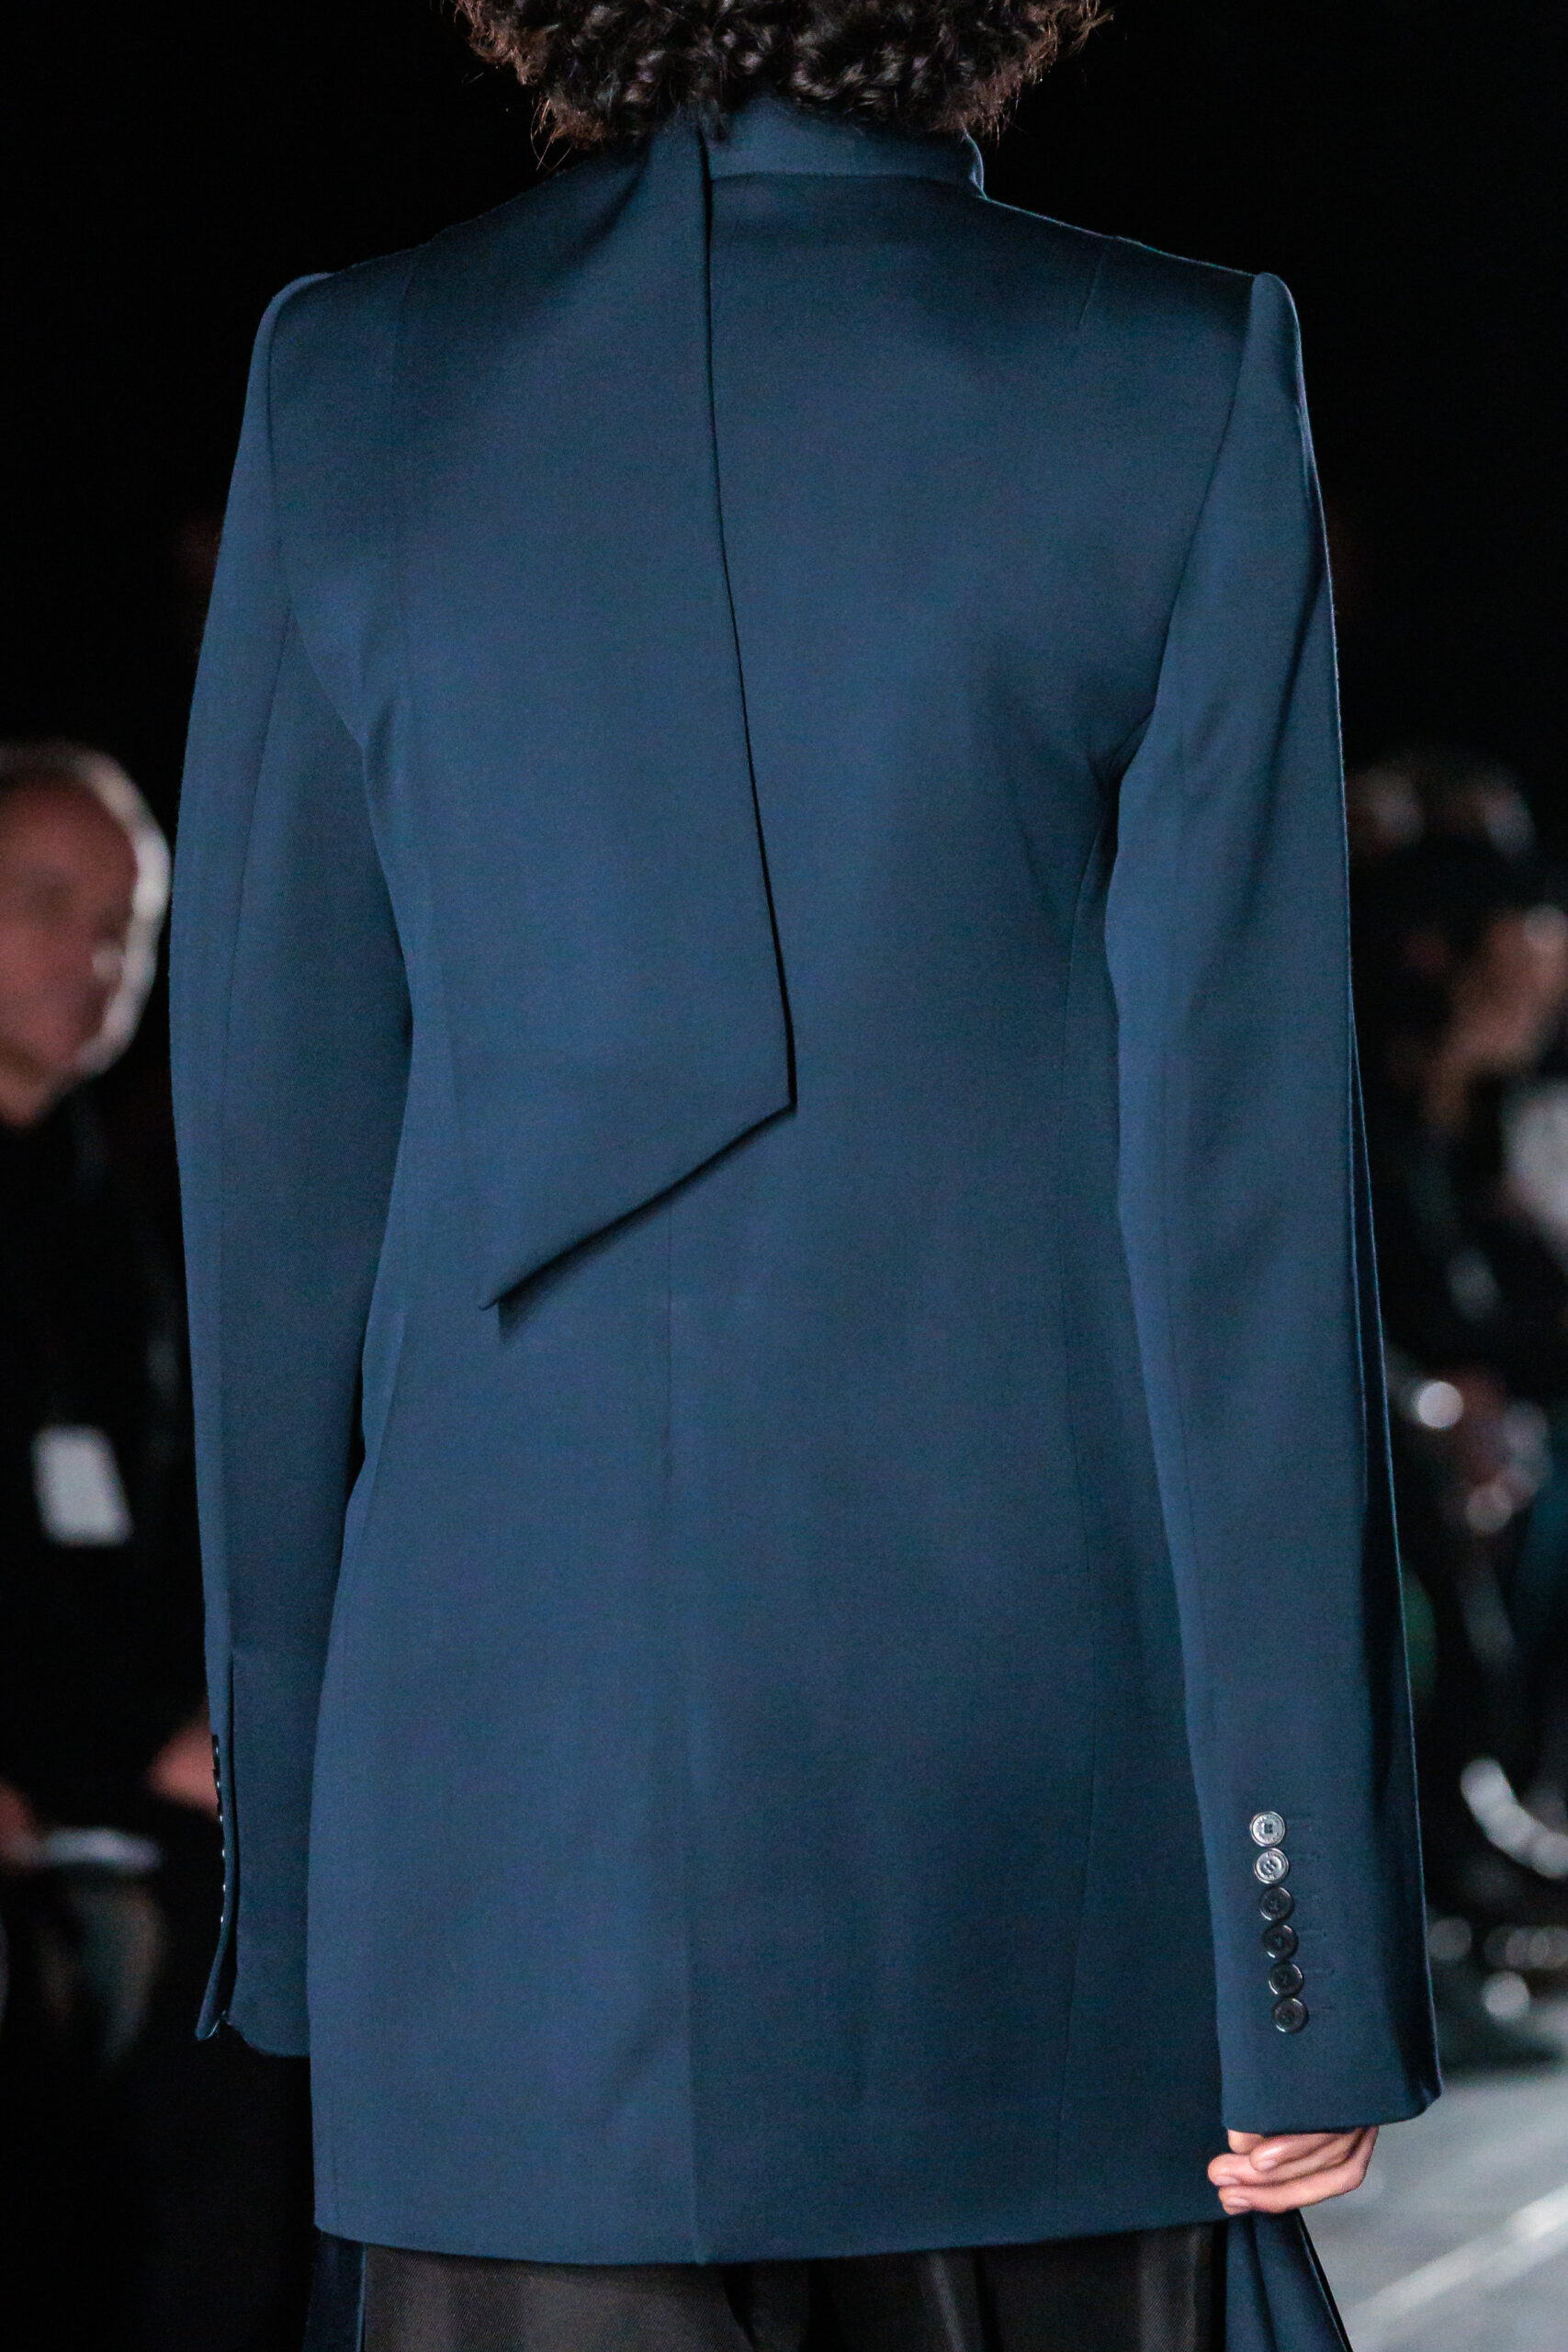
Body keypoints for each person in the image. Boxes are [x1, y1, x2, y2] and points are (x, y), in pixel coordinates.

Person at [170, 6, 1438, 2347]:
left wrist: (314, 1879)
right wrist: (1301, 1938)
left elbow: (273, 1183)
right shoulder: (1167, 373)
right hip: (1030, 1841)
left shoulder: (352, 377)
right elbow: (1241, 1217)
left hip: (497, 1844)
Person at [0, 742, 312, 2349]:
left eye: (129, 924)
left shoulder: (112, 1218)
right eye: (48, 903)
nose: (99, 955)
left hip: (122, 1791)